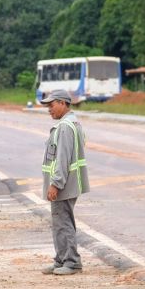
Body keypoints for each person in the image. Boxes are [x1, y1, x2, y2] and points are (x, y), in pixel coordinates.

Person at [40, 89, 89, 275]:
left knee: (64, 222)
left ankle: (71, 261)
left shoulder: (66, 127)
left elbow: (62, 159)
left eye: (51, 105)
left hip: (64, 185)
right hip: (67, 183)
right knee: (60, 222)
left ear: (62, 103)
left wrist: (56, 183)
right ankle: (61, 259)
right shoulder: (71, 123)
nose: (49, 110)